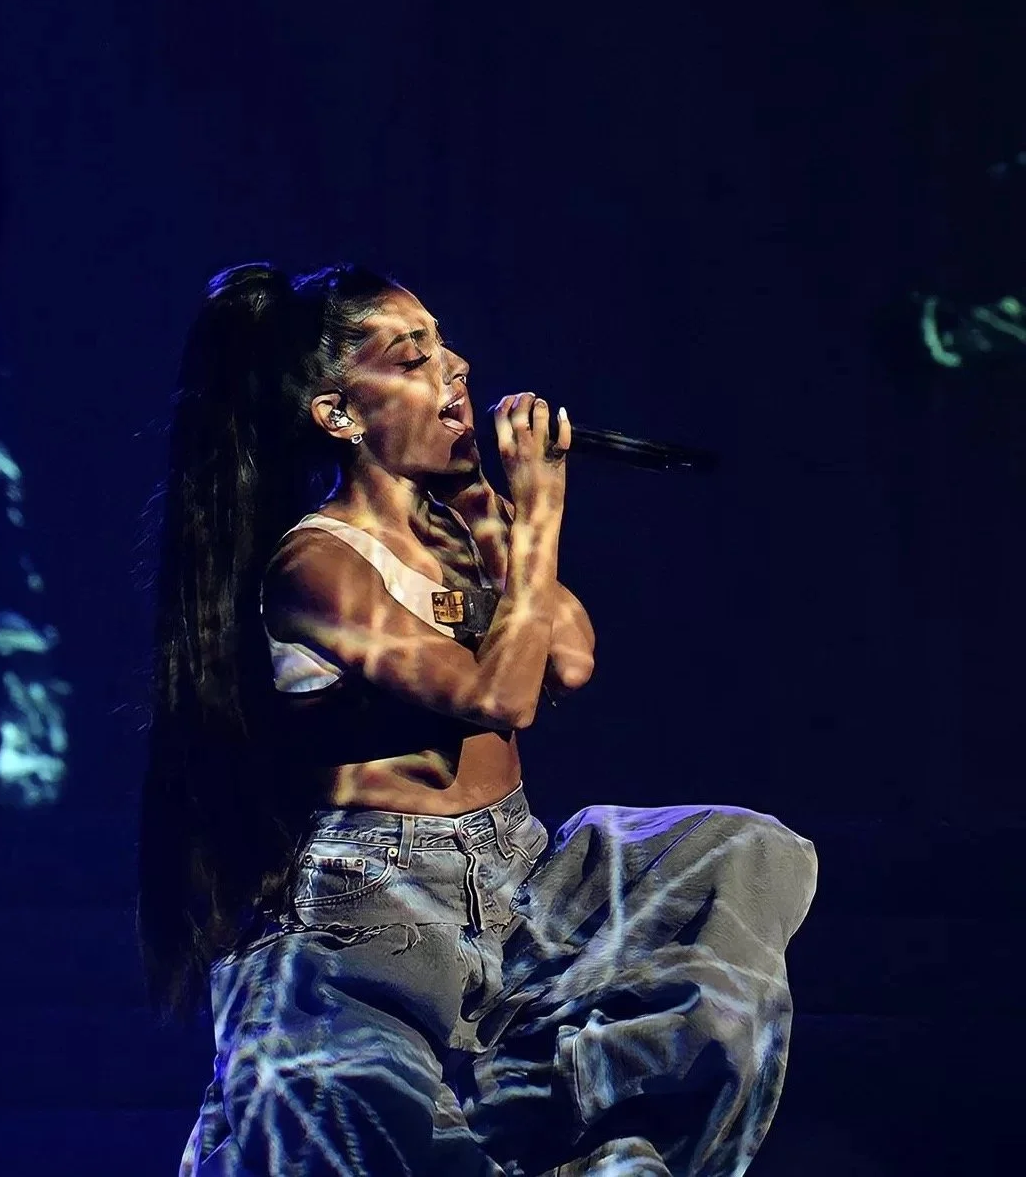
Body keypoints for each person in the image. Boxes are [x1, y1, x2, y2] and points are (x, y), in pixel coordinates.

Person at [139, 262, 817, 1177]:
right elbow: (499, 698)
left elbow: (571, 659)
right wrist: (539, 512)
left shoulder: (464, 525)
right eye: (412, 355)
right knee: (385, 1137)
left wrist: (494, 516)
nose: (454, 368)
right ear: (339, 414)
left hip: (514, 870)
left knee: (741, 856)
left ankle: (583, 1133)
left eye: (443, 342)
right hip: (377, 902)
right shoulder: (317, 564)